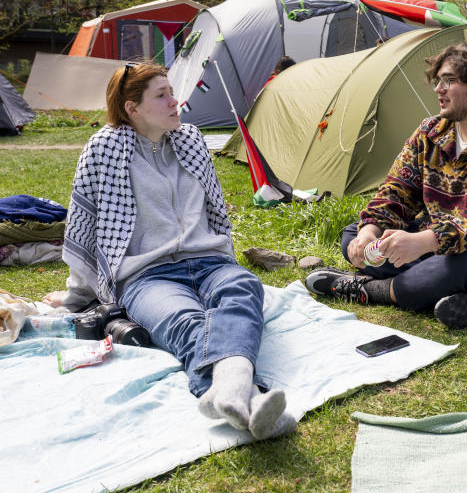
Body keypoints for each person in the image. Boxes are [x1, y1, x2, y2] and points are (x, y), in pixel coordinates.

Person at [42, 62, 295, 440]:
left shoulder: (190, 141)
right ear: (133, 108)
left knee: (241, 290)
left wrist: (225, 259)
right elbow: (87, 226)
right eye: (162, 96)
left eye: (172, 92)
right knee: (185, 320)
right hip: (147, 275)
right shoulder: (105, 150)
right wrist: (76, 297)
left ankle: (225, 394)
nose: (175, 101)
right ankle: (251, 396)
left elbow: (213, 214)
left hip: (208, 261)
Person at [305, 43, 467, 328]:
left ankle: (373, 289)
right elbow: (395, 190)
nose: (439, 88)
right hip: (441, 241)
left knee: (462, 264)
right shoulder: (429, 132)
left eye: (449, 80)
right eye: (437, 81)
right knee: (353, 236)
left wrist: (423, 242)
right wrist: (369, 231)